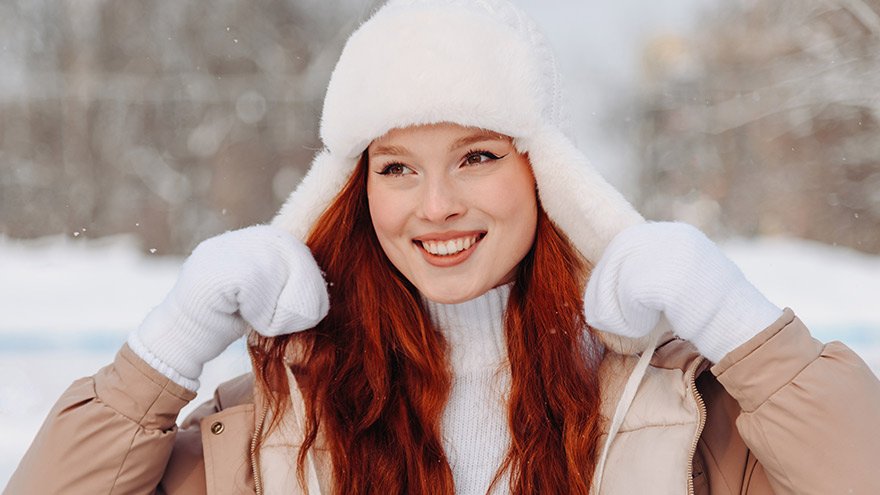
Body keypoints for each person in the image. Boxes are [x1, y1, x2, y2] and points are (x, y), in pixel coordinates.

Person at [7, 0, 880, 494]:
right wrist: (167, 346)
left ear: (548, 174)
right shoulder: (272, 416)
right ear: (355, 191)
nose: (435, 205)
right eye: (396, 167)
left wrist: (738, 323)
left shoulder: (688, 414)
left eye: (476, 156)